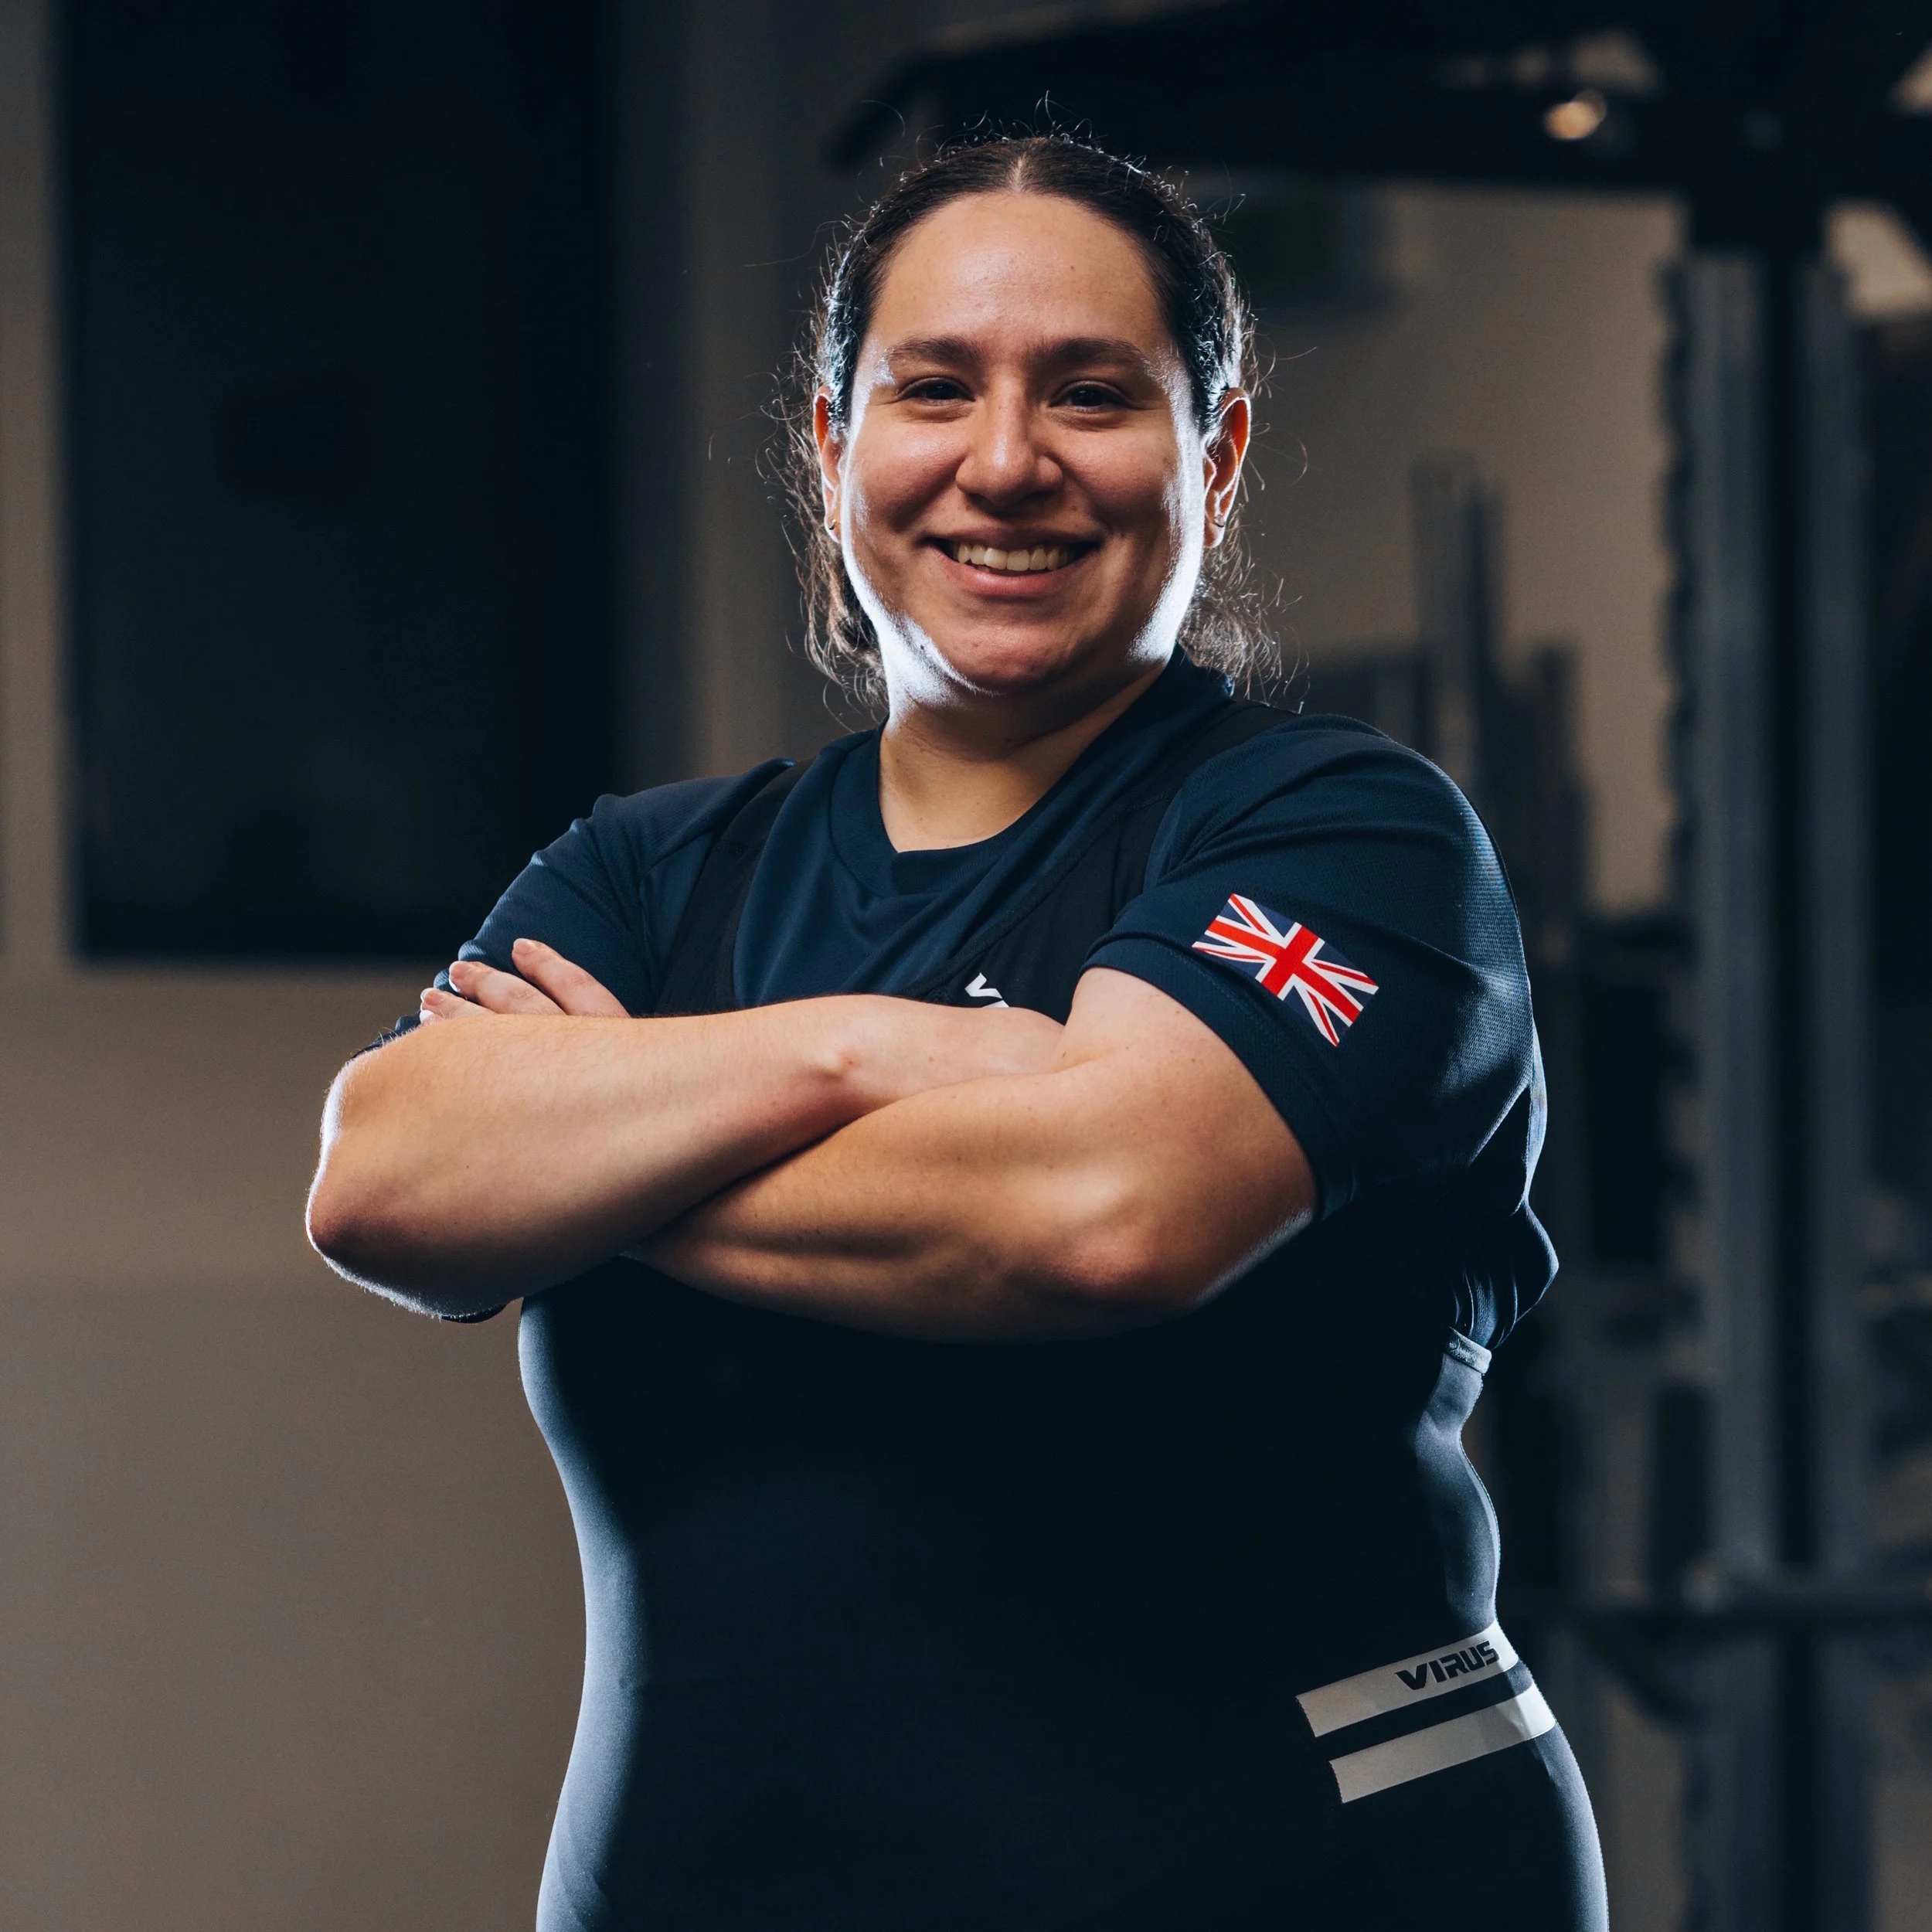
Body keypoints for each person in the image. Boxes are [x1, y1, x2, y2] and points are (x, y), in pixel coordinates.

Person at [307, 135, 1607, 1932]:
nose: (1006, 463)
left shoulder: (1340, 830)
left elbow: (1103, 1212)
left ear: (1209, 456)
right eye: (935, 388)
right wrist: (869, 1052)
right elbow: (385, 1180)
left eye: (1089, 393)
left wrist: (598, 1148)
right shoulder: (651, 866)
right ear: (831, 443)